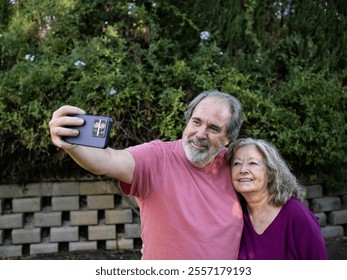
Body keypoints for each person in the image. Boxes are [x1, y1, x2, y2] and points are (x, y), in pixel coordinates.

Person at [49, 90, 244, 260]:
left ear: (227, 138)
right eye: (196, 122)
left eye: (213, 128)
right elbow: (108, 160)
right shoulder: (157, 158)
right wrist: (73, 146)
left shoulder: (237, 167)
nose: (200, 133)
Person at [227, 138, 328, 260]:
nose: (242, 170)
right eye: (236, 163)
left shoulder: (296, 215)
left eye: (252, 163)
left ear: (270, 173)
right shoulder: (236, 215)